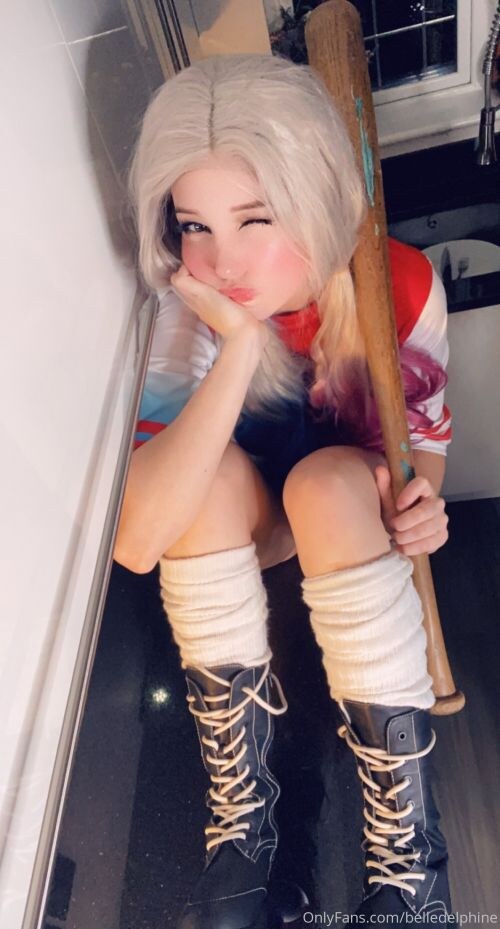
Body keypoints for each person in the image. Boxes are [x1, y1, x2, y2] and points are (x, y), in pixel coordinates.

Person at [114, 53, 453, 929]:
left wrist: (422, 505)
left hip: (347, 532)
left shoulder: (402, 285)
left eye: (255, 218)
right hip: (236, 552)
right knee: (211, 480)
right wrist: (237, 345)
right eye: (194, 224)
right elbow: (139, 540)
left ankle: (410, 866)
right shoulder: (189, 305)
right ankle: (244, 830)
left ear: (313, 195)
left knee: (327, 484)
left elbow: (422, 446)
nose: (219, 259)